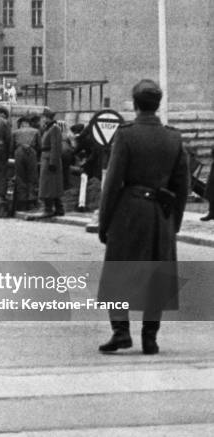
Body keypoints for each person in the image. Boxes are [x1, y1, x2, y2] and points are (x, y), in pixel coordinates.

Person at [97, 79, 189, 355]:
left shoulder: (126, 135)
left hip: (129, 212)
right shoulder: (174, 137)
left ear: (135, 105)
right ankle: (150, 337)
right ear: (158, 105)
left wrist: (104, 223)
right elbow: (182, 186)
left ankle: (121, 332)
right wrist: (174, 221)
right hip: (161, 214)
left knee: (118, 271)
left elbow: (112, 183)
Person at [38, 108, 65, 216]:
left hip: (49, 159)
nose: (42, 119)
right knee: (50, 185)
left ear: (47, 117)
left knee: (49, 186)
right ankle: (58, 208)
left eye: (44, 117)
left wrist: (53, 162)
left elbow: (56, 146)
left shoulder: (54, 129)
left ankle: (49, 208)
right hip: (47, 158)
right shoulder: (49, 129)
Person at [11, 115, 41, 211]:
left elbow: (11, 147)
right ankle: (31, 201)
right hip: (31, 152)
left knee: (20, 177)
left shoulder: (15, 132)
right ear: (29, 123)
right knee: (32, 177)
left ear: (21, 123)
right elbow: (40, 146)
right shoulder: (36, 131)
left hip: (19, 152)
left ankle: (22, 202)